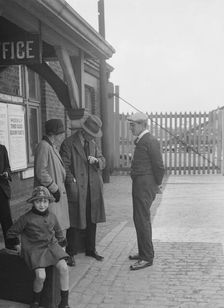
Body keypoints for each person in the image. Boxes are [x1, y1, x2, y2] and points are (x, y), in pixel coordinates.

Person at [7, 186, 70, 308]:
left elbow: (59, 234)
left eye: (45, 201)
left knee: (64, 268)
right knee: (41, 276)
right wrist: (18, 247)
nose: (42, 205)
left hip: (51, 247)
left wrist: (62, 250)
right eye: (38, 201)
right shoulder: (26, 218)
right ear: (33, 202)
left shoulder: (52, 216)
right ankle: (36, 301)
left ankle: (64, 303)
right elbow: (11, 233)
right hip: (35, 249)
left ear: (48, 202)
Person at [60, 114, 106, 266]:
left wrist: (97, 161)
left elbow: (103, 160)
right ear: (84, 131)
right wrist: (71, 180)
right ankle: (70, 252)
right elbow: (64, 166)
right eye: (90, 134)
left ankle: (90, 249)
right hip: (77, 189)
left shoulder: (92, 143)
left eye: (94, 135)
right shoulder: (68, 143)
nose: (92, 137)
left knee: (91, 219)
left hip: (92, 189)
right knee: (74, 221)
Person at [127, 112, 165, 271]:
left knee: (142, 220)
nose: (130, 128)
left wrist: (156, 184)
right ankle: (143, 252)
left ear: (142, 124)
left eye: (133, 125)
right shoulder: (143, 140)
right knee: (139, 219)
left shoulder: (150, 140)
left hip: (145, 185)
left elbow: (159, 166)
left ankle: (147, 257)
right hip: (140, 184)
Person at [34, 119, 70, 234]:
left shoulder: (51, 146)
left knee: (58, 229)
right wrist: (54, 188)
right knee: (52, 230)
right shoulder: (44, 146)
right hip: (50, 195)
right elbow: (41, 171)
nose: (62, 136)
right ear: (54, 134)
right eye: (61, 133)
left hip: (55, 196)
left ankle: (59, 250)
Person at [0, 143, 19, 250]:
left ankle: (11, 246)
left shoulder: (2, 148)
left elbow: (7, 167)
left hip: (2, 190)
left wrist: (6, 173)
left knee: (6, 220)